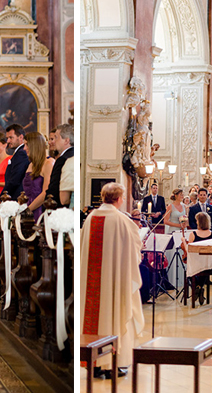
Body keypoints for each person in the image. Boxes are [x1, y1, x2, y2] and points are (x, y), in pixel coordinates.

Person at [80, 183, 143, 379]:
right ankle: (113, 364)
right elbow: (134, 249)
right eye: (122, 197)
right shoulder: (120, 220)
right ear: (118, 199)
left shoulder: (90, 218)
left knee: (93, 317)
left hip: (92, 284)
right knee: (116, 312)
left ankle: (96, 363)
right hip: (114, 282)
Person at [181, 212, 212, 305]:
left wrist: (183, 241)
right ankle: (200, 288)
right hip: (208, 264)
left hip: (196, 263)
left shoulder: (193, 234)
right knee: (205, 267)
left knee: (189, 272)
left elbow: (189, 250)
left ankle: (197, 288)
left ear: (199, 222)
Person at [24, 132, 54, 221]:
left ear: (35, 145)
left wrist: (28, 209)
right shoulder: (31, 165)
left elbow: (46, 192)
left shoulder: (49, 163)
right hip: (27, 208)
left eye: (27, 145)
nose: (24, 148)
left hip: (40, 209)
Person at [46, 123, 74, 207]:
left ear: (66, 140)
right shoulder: (72, 155)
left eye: (56, 138)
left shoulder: (63, 159)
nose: (53, 141)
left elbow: (54, 189)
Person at [2, 124, 29, 200]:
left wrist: (3, 195)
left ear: (20, 137)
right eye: (7, 138)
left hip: (17, 196)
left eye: (11, 137)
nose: (8, 141)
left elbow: (15, 180)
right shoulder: (18, 152)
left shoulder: (21, 153)